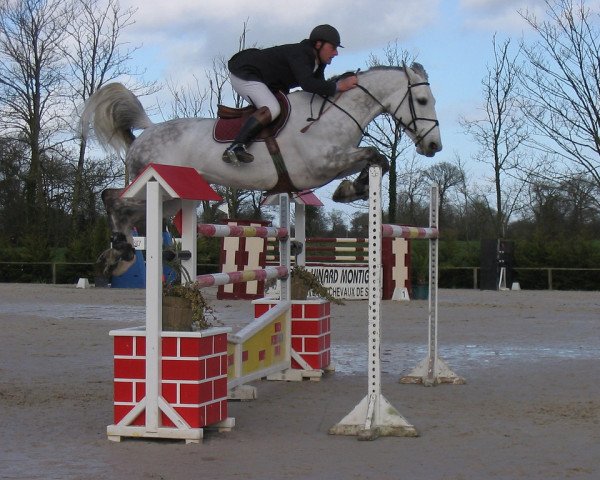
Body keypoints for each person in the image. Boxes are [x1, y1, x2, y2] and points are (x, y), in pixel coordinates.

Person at [222, 24, 359, 164]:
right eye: (333, 48)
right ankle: (235, 147)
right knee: (272, 108)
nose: (336, 53)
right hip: (244, 73)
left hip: (265, 81)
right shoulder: (301, 53)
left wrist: (341, 85)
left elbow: (320, 90)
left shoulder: (317, 63)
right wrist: (339, 85)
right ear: (318, 44)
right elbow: (308, 84)